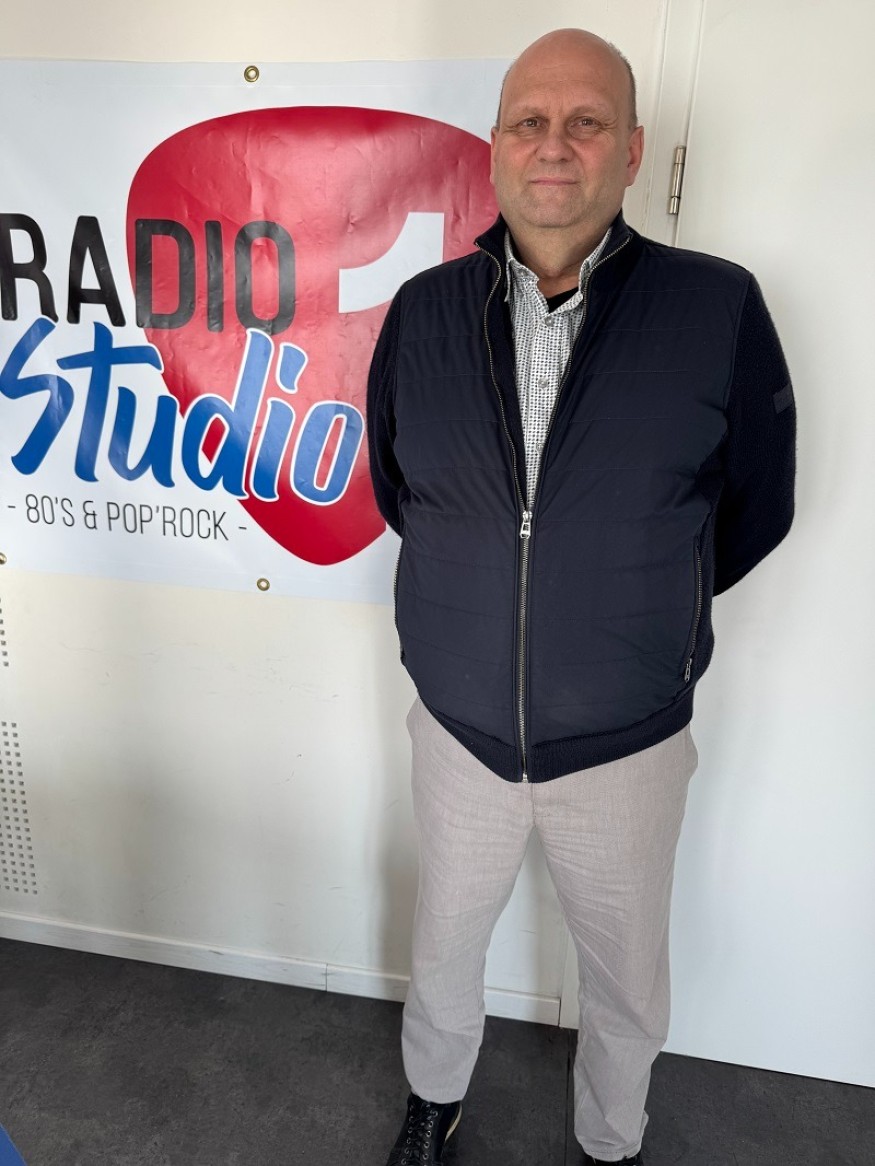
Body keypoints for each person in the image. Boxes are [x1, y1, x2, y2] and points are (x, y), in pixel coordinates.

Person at [366, 27, 795, 1166]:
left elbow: (752, 508)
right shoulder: (421, 312)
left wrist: (629, 606)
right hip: (459, 730)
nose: (552, 145)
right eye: (529, 122)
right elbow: (403, 492)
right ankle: (433, 1099)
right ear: (494, 148)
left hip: (624, 743)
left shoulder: (716, 308)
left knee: (623, 974)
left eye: (585, 121)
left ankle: (611, 1139)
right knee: (443, 946)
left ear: (631, 150)